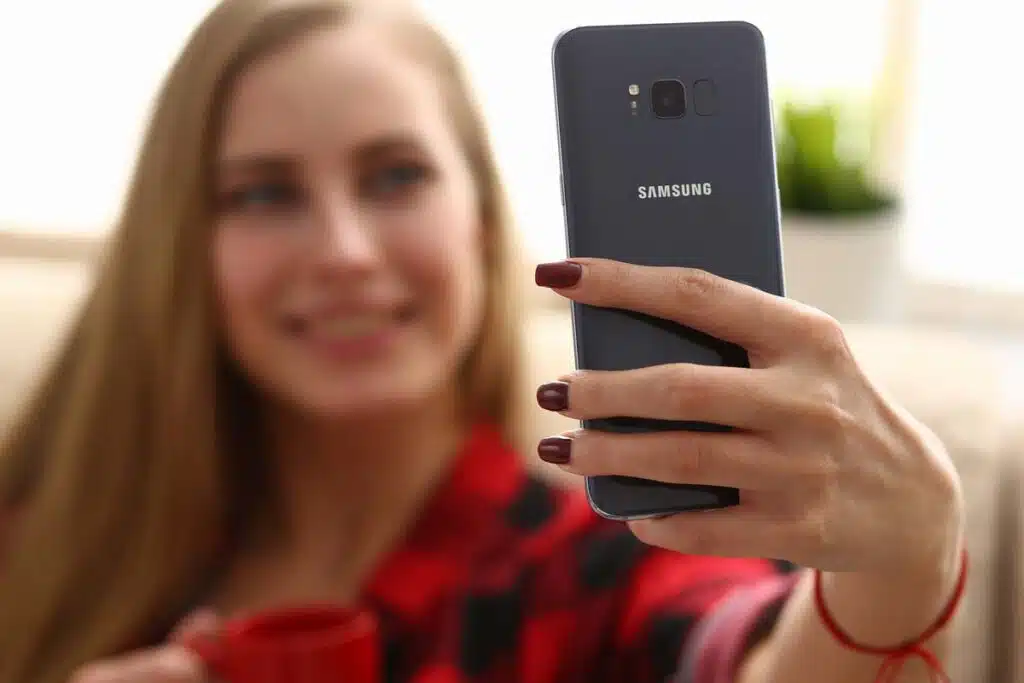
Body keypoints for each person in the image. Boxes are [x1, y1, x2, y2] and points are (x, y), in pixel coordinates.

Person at [0, 1, 966, 682]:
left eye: (394, 176)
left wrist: (905, 563)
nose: (343, 251)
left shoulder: (600, 565)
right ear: (184, 245)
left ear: (485, 222)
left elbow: (740, 653)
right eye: (264, 193)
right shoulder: (60, 530)